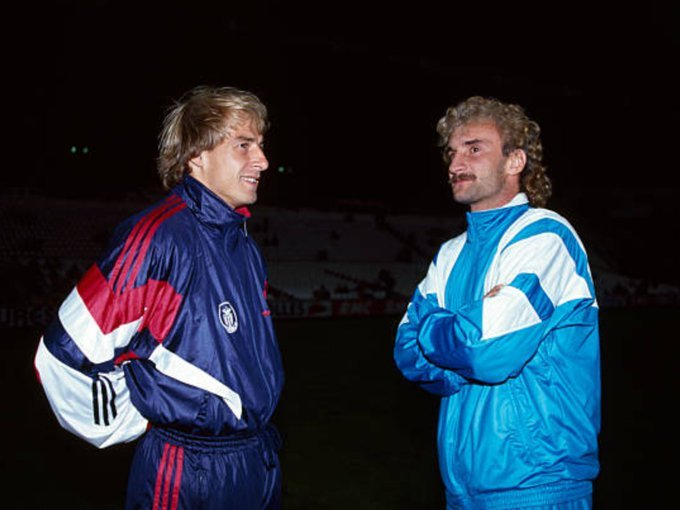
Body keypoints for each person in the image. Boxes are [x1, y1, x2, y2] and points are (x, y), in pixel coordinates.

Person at [34, 85, 285, 510]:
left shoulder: (243, 243)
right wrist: (134, 416)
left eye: (260, 145)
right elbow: (63, 355)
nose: (262, 160)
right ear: (197, 155)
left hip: (255, 462)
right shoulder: (158, 237)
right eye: (244, 145)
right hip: (188, 471)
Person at [393, 96, 601, 509]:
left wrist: (440, 331)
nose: (455, 164)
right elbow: (406, 352)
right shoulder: (449, 253)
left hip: (538, 485)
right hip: (461, 489)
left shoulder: (546, 236)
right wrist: (464, 337)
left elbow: (485, 351)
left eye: (474, 149)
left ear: (514, 160)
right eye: (451, 152)